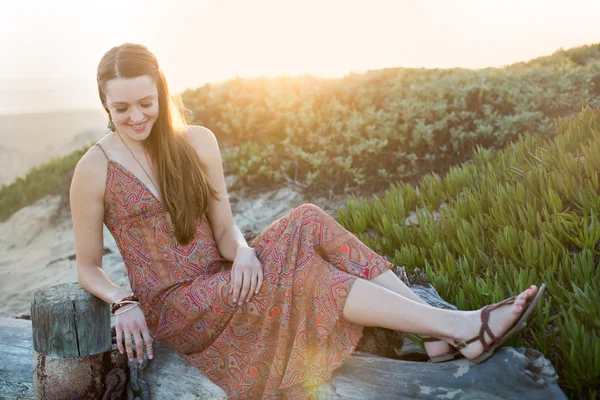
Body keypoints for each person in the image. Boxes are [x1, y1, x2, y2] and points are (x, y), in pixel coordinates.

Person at [70, 43, 546, 399]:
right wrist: (122, 301)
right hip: (176, 307)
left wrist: (246, 253)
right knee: (307, 274)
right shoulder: (94, 168)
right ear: (105, 105)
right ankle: (461, 328)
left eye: (145, 103)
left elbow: (224, 228)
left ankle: (434, 332)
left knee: (308, 218)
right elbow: (88, 266)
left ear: (161, 92)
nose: (136, 116)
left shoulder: (197, 142)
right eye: (122, 108)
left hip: (224, 279)